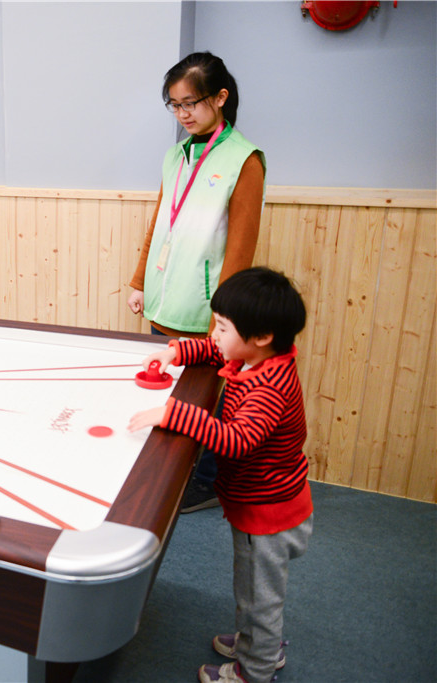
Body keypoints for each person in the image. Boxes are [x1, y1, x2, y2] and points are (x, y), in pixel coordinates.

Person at [127, 267, 312, 683]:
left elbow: (236, 440)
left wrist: (173, 413)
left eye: (223, 327)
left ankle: (256, 668)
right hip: (257, 504)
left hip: (269, 515)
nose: (215, 334)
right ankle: (255, 645)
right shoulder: (257, 358)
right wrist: (176, 352)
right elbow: (214, 352)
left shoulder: (270, 388)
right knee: (251, 591)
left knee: (259, 600)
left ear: (261, 336)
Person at [126, 52, 266, 513]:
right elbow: (159, 222)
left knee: (205, 403)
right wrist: (139, 281)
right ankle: (167, 471)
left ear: (220, 97)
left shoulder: (244, 159)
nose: (182, 114)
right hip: (163, 298)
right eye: (175, 105)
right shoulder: (176, 155)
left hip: (204, 311)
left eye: (191, 102)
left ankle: (203, 482)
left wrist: (223, 321)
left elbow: (241, 249)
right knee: (166, 391)